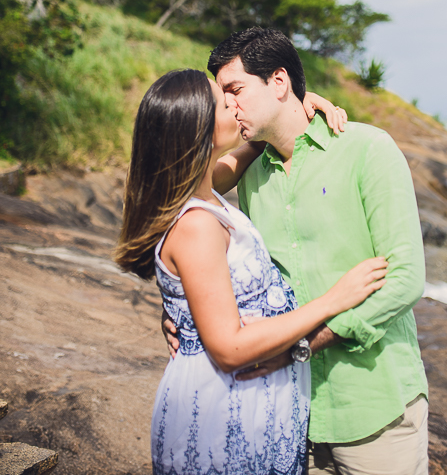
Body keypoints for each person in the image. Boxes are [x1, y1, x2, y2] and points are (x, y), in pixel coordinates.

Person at [164, 28, 429, 475]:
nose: (228, 105)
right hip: (288, 415)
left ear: (280, 81)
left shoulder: (367, 149)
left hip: (373, 410)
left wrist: (304, 345)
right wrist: (181, 310)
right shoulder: (247, 172)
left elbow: (405, 277)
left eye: (236, 90)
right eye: (223, 95)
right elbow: (177, 207)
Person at [115, 68, 387, 475]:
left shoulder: (205, 191)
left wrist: (298, 104)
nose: (235, 104)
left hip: (248, 405)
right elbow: (228, 349)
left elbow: (258, 143)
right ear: (199, 133)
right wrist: (333, 300)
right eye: (224, 103)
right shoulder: (197, 225)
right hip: (225, 413)